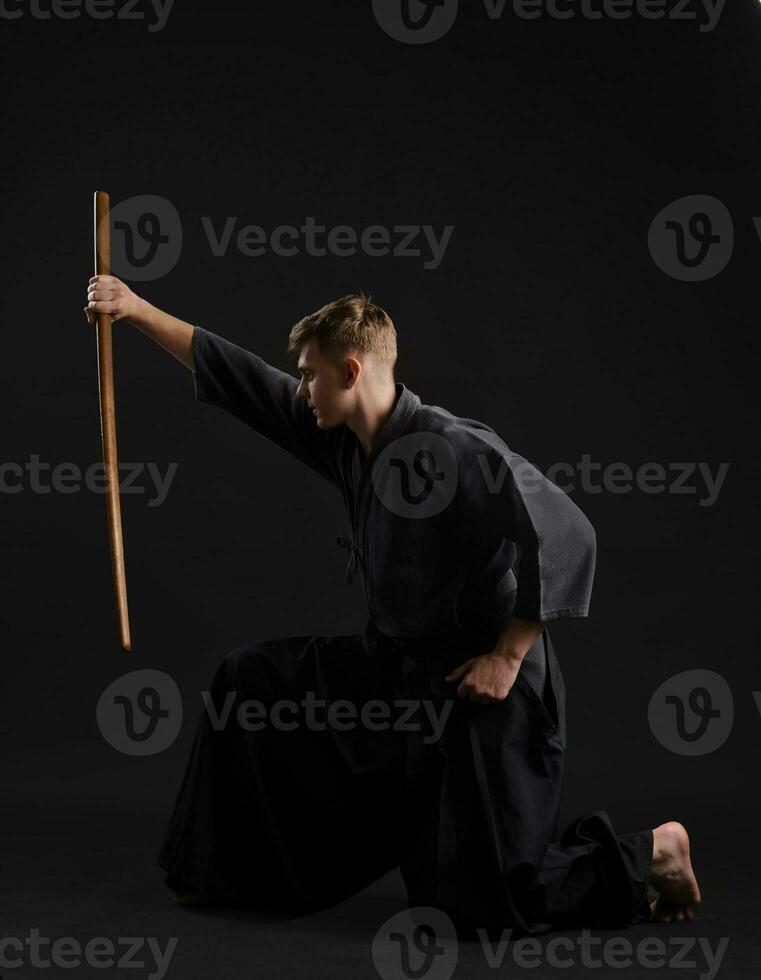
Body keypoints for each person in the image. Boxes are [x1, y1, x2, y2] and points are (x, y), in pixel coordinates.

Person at [84, 277, 701, 937]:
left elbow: (567, 533)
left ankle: (651, 853)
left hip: (482, 692)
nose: (299, 388)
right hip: (397, 670)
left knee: (489, 907)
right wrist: (136, 310)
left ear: (349, 371)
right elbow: (247, 380)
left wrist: (506, 655)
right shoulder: (343, 434)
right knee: (251, 677)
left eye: (309, 375)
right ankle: (232, 877)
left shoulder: (453, 446)